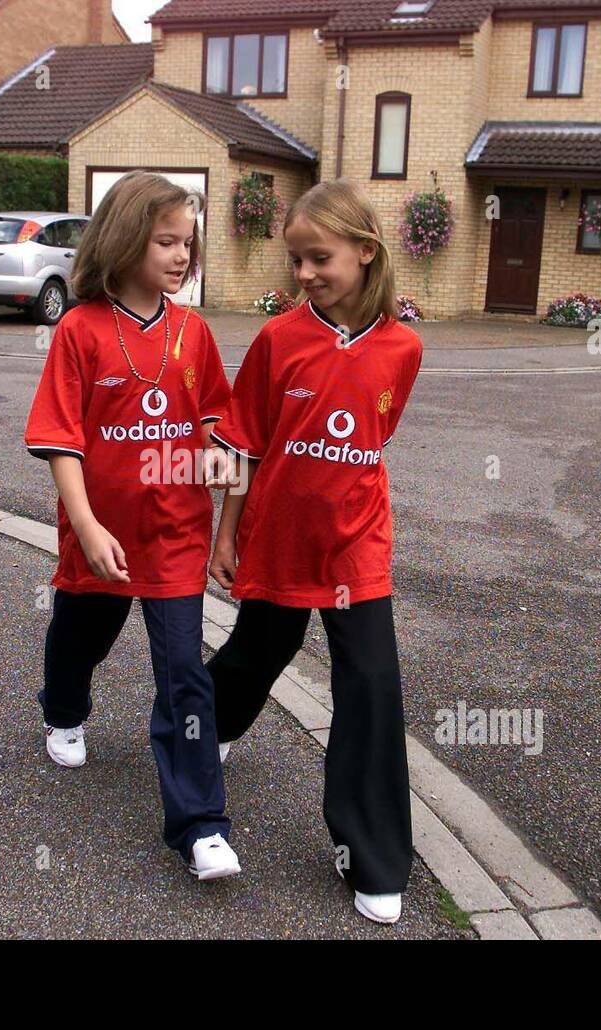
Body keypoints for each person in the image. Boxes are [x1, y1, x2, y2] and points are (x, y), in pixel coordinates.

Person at [204, 179, 425, 920]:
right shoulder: (278, 339)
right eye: (296, 260)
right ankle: (204, 732)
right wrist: (227, 535)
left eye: (319, 258)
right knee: (255, 652)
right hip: (278, 536)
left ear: (367, 253)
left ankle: (372, 857)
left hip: (358, 548)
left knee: (369, 684)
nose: (303, 274)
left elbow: (375, 441)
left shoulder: (404, 348)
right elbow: (246, 444)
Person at [23, 172, 240, 879]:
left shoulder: (193, 330)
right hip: (101, 537)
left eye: (188, 242)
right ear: (124, 241)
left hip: (176, 534)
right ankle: (63, 708)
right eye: (166, 241)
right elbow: (59, 438)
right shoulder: (80, 330)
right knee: (81, 637)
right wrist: (84, 526)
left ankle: (201, 824)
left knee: (184, 674)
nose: (182, 255)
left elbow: (214, 414)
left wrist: (214, 451)